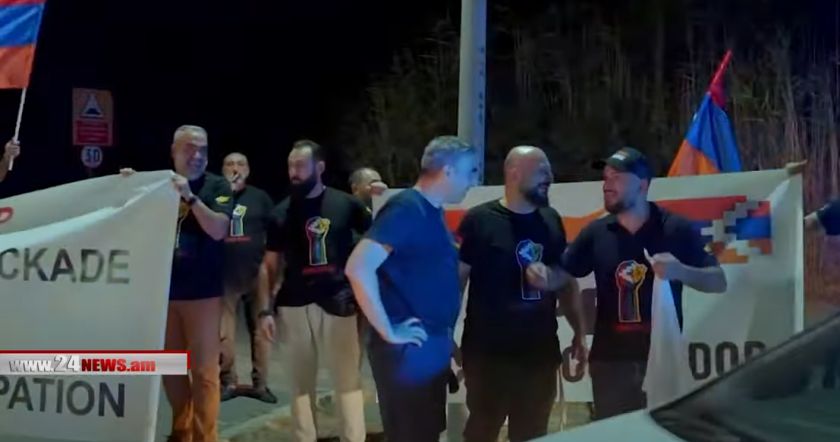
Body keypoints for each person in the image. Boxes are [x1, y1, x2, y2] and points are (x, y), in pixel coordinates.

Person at [562, 146, 727, 420]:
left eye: (616, 177)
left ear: (642, 185)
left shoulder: (674, 228)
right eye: (605, 178)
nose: (607, 184)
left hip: (661, 359)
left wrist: (681, 271)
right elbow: (563, 273)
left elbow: (718, 281)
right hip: (610, 364)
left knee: (660, 434)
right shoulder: (596, 232)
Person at [345, 135, 479, 442]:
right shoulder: (407, 208)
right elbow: (358, 267)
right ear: (448, 170)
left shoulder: (431, 211)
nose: (473, 180)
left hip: (428, 350)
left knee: (425, 433)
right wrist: (389, 330)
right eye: (470, 171)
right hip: (408, 355)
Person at [456, 146, 587, 442]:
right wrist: (445, 334)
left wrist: (579, 332)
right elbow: (457, 283)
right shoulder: (479, 220)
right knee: (481, 432)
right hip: (487, 355)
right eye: (541, 169)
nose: (550, 176)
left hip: (539, 354)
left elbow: (566, 280)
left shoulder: (551, 219)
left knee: (532, 434)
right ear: (514, 173)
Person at [262, 140, 370, 442]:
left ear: (319, 167)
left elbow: (376, 238)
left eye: (300, 165)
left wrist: (380, 196)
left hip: (338, 301)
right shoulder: (280, 213)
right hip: (294, 304)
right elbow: (270, 265)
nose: (294, 173)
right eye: (290, 166)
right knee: (299, 386)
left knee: (347, 383)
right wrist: (265, 309)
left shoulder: (346, 205)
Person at [163, 125, 232, 442]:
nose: (198, 155)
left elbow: (218, 229)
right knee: (170, 368)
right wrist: (129, 184)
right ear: (174, 151)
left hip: (203, 294)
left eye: (203, 149)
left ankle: (207, 436)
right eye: (190, 148)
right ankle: (182, 430)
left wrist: (190, 197)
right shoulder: (160, 183)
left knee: (204, 372)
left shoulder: (218, 186)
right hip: (164, 294)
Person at [218, 152, 277, 403]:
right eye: (230, 164)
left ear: (248, 170)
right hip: (224, 274)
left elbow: (275, 233)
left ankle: (261, 384)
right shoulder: (214, 196)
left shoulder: (260, 198)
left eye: (241, 164)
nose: (235, 168)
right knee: (224, 334)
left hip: (256, 273)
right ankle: (228, 381)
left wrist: (274, 271)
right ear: (222, 170)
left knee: (261, 330)